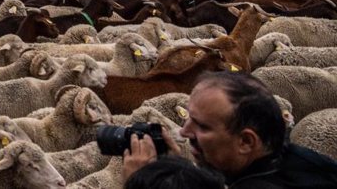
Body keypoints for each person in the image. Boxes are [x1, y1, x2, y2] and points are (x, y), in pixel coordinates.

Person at [121, 71, 337, 188]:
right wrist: (177, 170)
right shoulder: (303, 164)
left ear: (246, 141)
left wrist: (142, 181)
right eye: (188, 119)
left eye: (202, 126)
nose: (184, 133)